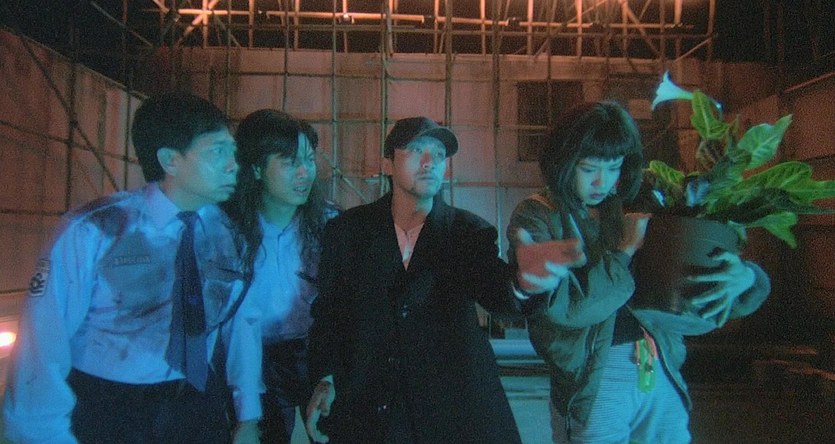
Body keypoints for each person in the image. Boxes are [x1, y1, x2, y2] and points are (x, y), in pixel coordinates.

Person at [506, 101, 772, 443]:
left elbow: (689, 283)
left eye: (614, 167)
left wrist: (747, 279)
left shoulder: (643, 203)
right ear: (563, 162)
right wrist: (623, 252)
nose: (602, 181)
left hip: (659, 366)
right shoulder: (538, 215)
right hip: (593, 381)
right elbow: (569, 311)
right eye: (588, 169)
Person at [2, 91, 261, 443]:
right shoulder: (96, 231)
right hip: (109, 409)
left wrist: (248, 414)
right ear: (170, 160)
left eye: (232, 151)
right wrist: (45, 435)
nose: (233, 165)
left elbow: (242, 327)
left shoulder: (229, 236)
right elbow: (42, 345)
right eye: (217, 152)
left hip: (197, 405)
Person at [303, 116, 574, 443]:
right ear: (387, 164)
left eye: (440, 154)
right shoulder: (349, 231)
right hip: (372, 406)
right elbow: (330, 313)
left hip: (449, 407)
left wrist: (523, 282)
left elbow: (494, 287)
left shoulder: (466, 232)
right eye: (417, 150)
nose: (430, 162)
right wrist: (325, 377)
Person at [222, 109, 339, 443]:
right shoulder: (228, 231)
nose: (305, 173)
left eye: (309, 160)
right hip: (252, 358)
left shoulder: (330, 225)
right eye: (290, 162)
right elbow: (237, 322)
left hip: (315, 353)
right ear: (256, 168)